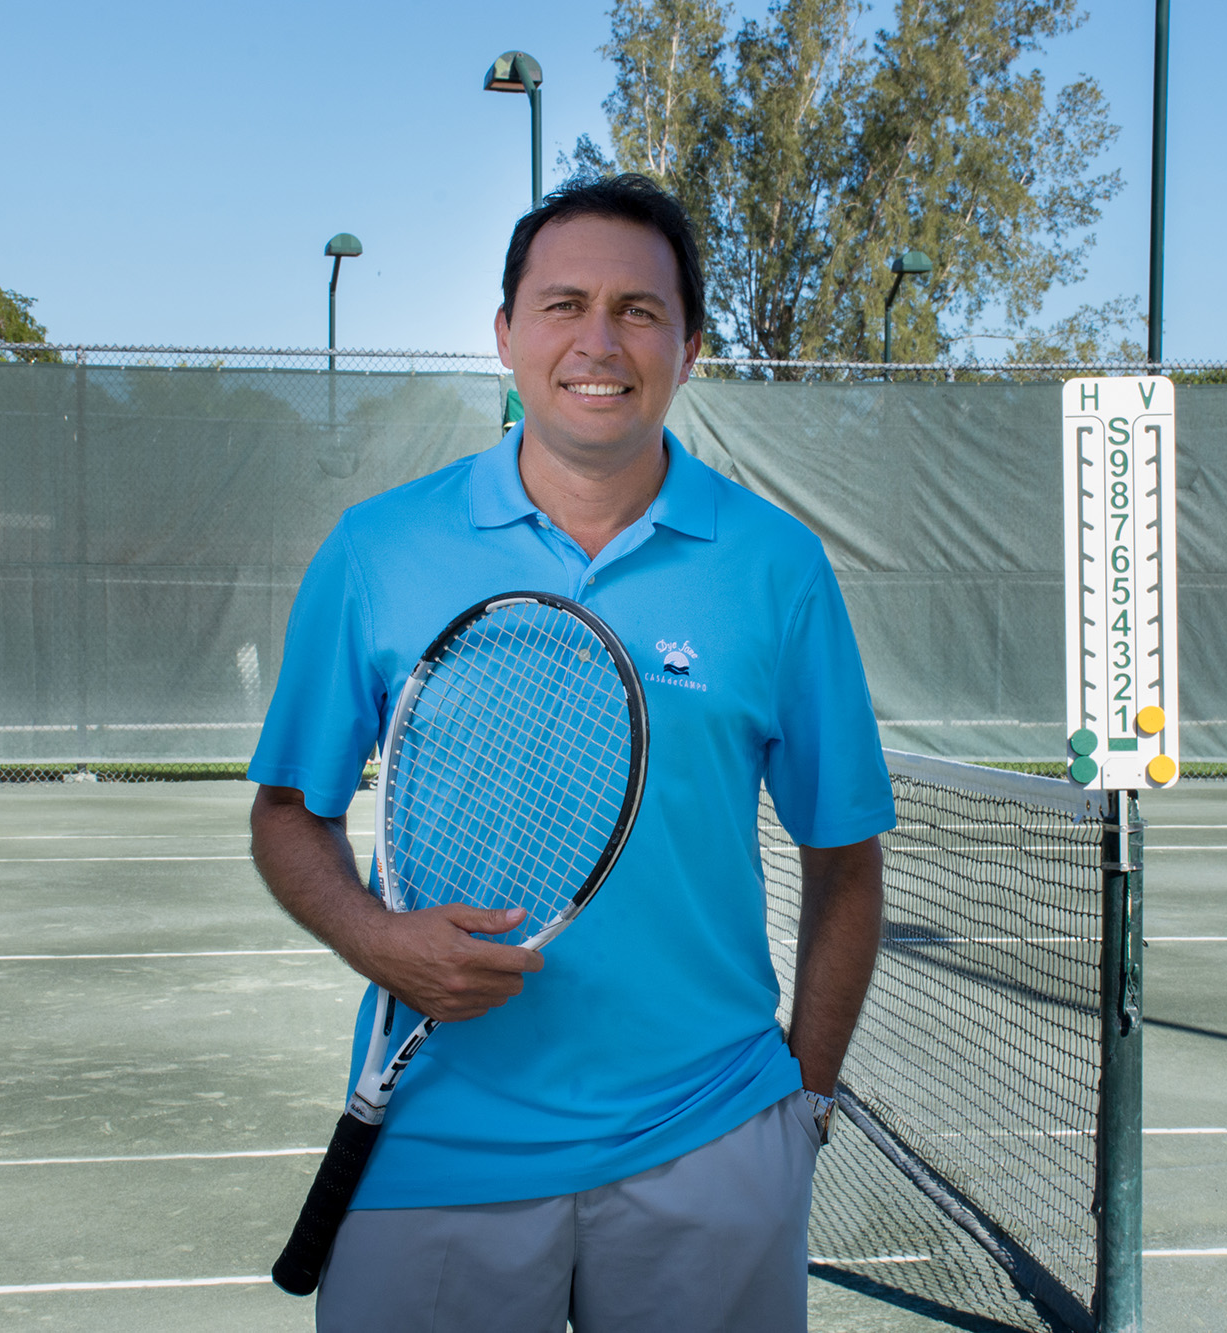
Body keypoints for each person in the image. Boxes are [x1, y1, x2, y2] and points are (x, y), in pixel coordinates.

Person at [247, 173, 894, 1333]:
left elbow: (844, 858)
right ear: (505, 334)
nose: (599, 341)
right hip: (433, 1143)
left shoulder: (777, 567)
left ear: (689, 348)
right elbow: (288, 810)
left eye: (638, 310)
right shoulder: (376, 549)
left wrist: (801, 1105)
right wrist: (375, 938)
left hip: (712, 1139)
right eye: (563, 305)